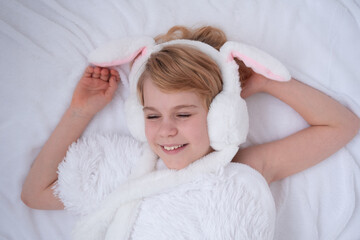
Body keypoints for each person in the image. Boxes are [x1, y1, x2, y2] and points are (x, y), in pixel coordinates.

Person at [21, 26, 360, 238]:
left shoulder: (242, 171)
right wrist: (80, 112)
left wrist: (267, 82)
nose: (166, 130)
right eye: (152, 116)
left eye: (183, 114)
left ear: (221, 116)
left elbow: (341, 125)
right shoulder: (122, 172)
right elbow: (35, 194)